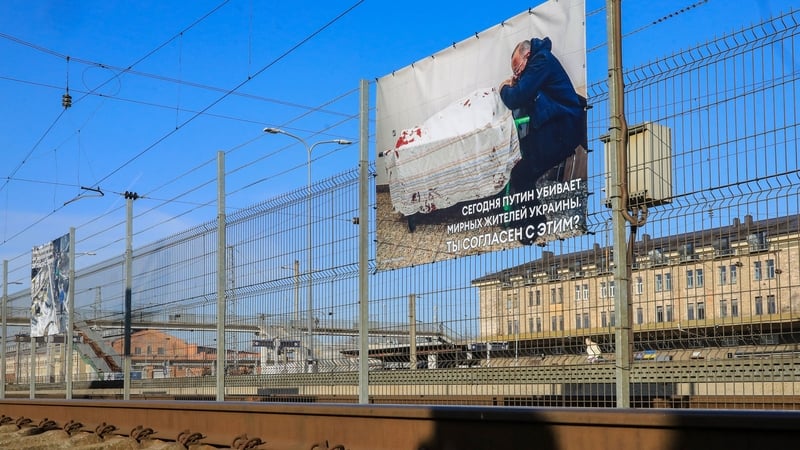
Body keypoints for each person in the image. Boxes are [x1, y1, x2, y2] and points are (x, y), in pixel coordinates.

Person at [498, 37, 588, 244]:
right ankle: (535, 219)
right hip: (553, 125)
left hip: (562, 129)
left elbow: (516, 98)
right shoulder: (539, 62)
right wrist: (519, 82)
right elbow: (526, 91)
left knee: (520, 174)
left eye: (517, 67)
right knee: (523, 162)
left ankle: (531, 228)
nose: (517, 73)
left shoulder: (542, 61)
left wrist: (504, 87)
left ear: (527, 55)